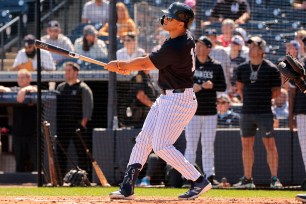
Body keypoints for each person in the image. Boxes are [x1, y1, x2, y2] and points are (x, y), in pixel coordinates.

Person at [105, 2, 212, 200]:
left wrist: (123, 65)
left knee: (161, 145)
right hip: (168, 98)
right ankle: (127, 187)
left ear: (181, 23)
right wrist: (126, 66)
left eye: (171, 17)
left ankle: (198, 180)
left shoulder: (177, 44)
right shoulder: (180, 38)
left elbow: (147, 63)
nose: (165, 19)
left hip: (179, 100)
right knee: (143, 140)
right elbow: (151, 59)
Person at [233, 36, 283, 189]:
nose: (251, 49)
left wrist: (262, 99)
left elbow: (277, 92)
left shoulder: (271, 69)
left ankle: (274, 179)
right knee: (246, 146)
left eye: (255, 47)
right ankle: (248, 180)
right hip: (246, 112)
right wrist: (250, 100)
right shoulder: (241, 68)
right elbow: (239, 90)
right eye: (250, 47)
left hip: (265, 112)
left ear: (262, 50)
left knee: (270, 145)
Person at [184, 36, 226, 186]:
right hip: (191, 111)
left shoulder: (216, 66)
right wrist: (190, 86)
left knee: (208, 145)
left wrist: (212, 85)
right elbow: (180, 82)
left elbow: (223, 86)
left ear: (209, 48)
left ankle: (209, 175)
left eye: (202, 46)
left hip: (209, 112)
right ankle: (188, 176)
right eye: (197, 45)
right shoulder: (189, 64)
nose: (199, 48)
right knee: (191, 145)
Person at [56, 62, 94, 180]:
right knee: (60, 153)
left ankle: (84, 178)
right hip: (62, 126)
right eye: (65, 70)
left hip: (78, 126)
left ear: (76, 72)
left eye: (69, 70)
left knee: (81, 152)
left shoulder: (83, 88)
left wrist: (83, 123)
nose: (66, 73)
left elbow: (88, 107)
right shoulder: (60, 87)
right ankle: (60, 179)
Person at [0, 69, 37, 172]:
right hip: (18, 133)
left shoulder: (33, 89)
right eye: (18, 77)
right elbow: (3, 88)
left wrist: (24, 90)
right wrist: (4, 89)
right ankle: (20, 184)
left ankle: (37, 185)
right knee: (19, 163)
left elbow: (34, 88)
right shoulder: (15, 89)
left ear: (29, 79)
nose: (20, 80)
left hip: (33, 134)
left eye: (22, 77)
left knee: (35, 161)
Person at [205, 29, 231, 93]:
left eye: (212, 37)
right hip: (208, 85)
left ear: (216, 38)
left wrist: (229, 83)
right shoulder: (202, 51)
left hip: (221, 84)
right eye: (208, 37)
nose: (210, 39)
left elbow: (228, 68)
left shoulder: (222, 51)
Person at [225, 35, 249, 100]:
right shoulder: (225, 56)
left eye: (236, 44)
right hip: (226, 85)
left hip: (238, 87)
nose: (233, 45)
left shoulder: (243, 60)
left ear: (240, 47)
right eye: (232, 42)